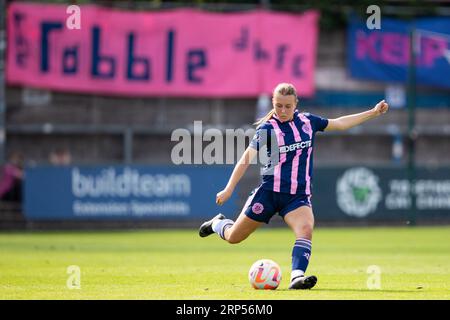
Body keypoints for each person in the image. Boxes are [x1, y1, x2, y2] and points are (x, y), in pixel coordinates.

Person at [198, 83, 389, 290]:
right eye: (278, 106)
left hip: (296, 196)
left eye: (287, 106)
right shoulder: (267, 129)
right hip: (269, 194)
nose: (282, 111)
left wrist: (373, 112)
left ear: (295, 104)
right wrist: (229, 188)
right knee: (234, 237)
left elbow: (340, 124)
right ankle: (218, 224)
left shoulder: (308, 122)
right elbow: (246, 159)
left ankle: (297, 277)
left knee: (305, 229)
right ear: (273, 104)